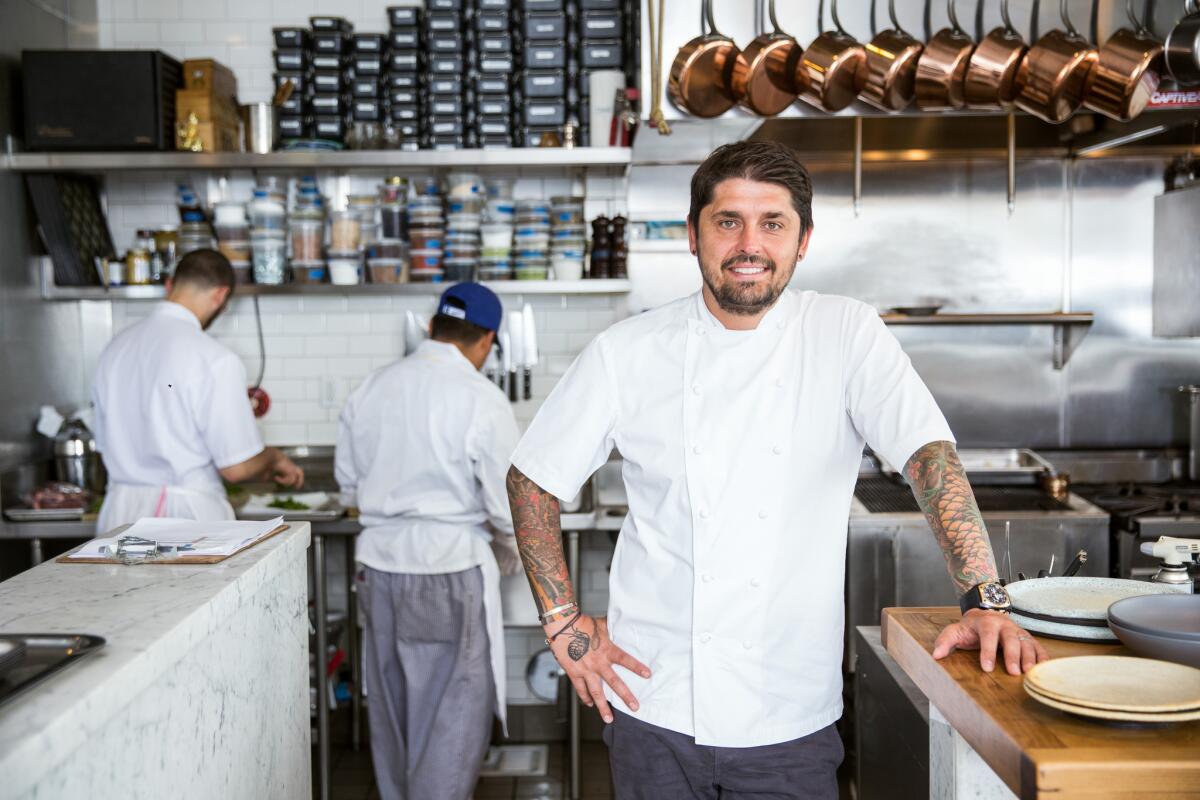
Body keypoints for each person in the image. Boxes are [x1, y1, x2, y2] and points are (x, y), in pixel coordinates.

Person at [505, 141, 1046, 798]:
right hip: (653, 703)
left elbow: (928, 456)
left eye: (773, 223)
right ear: (693, 235)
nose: (748, 244)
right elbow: (534, 476)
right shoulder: (627, 351)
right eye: (727, 220)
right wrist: (561, 618)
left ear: (804, 240)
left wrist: (984, 598)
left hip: (788, 715)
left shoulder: (845, 333)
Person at [335, 283, 522, 800]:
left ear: (432, 327)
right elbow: (508, 505)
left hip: (378, 567)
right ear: (486, 340)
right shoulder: (481, 398)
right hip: (448, 570)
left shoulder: (371, 388)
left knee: (395, 712)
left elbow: (349, 486)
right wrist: (508, 549)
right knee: (452, 715)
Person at [92, 249, 303, 533]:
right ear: (220, 296)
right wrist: (274, 458)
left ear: (170, 285)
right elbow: (236, 468)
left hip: (118, 515)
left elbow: (104, 443)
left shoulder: (114, 350)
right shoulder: (214, 358)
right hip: (184, 521)